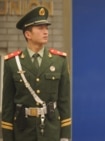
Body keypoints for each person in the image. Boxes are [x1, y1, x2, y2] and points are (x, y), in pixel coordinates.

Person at [1, 6, 71, 141]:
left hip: (51, 132)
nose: (46, 32)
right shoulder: (12, 63)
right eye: (40, 28)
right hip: (23, 132)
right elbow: (8, 107)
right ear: (28, 34)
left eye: (47, 28)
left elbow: (64, 103)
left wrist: (65, 137)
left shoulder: (59, 61)